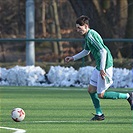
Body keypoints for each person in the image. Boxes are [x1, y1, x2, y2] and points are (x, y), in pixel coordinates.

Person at [65, 15, 133, 121]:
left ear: (86, 26)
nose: (77, 30)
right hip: (100, 65)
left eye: (79, 27)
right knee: (91, 90)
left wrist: (102, 69)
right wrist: (73, 58)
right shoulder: (87, 36)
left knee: (101, 94)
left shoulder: (91, 35)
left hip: (105, 66)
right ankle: (99, 114)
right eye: (76, 28)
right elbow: (86, 51)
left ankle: (128, 96)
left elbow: (103, 51)